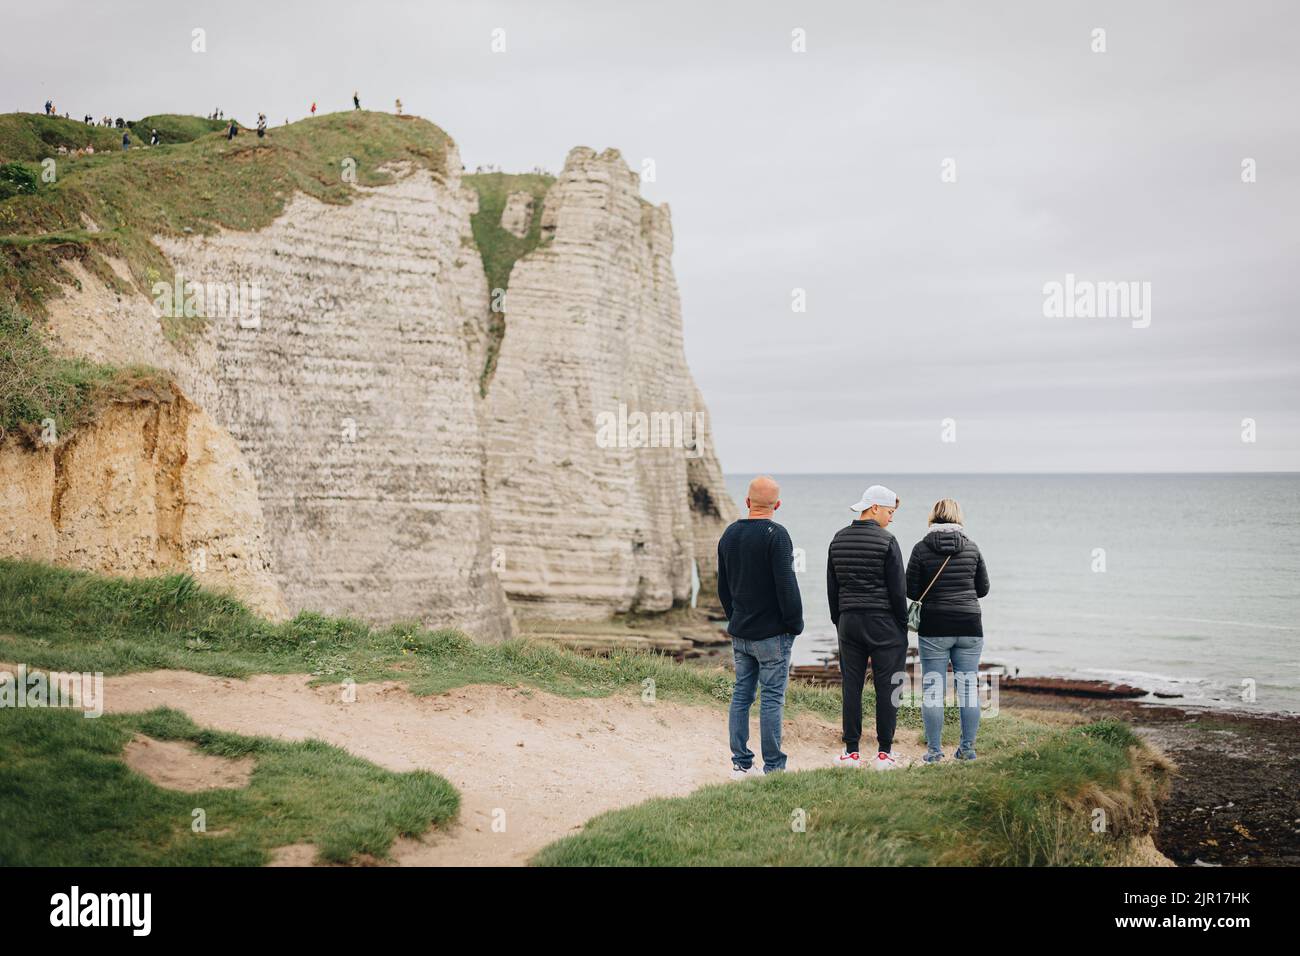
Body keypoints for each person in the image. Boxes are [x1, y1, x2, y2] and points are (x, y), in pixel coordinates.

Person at [716, 475, 803, 779]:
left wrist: (734, 617)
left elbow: (723, 587)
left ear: (747, 502)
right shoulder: (776, 535)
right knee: (771, 698)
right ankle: (774, 767)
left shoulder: (729, 534)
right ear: (777, 505)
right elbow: (786, 586)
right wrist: (795, 623)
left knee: (742, 695)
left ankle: (740, 764)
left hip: (741, 632)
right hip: (772, 635)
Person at [827, 484, 908, 770]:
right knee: (888, 686)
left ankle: (851, 751)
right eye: (889, 511)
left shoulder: (838, 539)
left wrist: (839, 619)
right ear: (874, 508)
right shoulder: (888, 541)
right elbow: (898, 590)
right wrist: (902, 624)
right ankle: (884, 752)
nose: (891, 517)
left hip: (849, 621)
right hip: (883, 621)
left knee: (852, 685)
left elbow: (832, 587)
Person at [907, 499, 990, 763]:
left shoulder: (921, 549)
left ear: (933, 518)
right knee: (968, 689)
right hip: (969, 624)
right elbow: (983, 589)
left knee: (933, 690)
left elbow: (911, 591)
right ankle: (967, 750)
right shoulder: (972, 547)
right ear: (958, 518)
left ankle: (934, 752)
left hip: (935, 625)